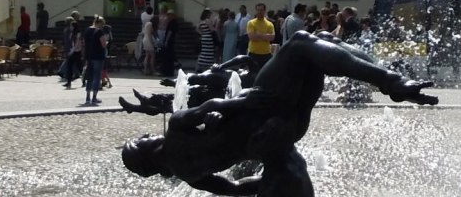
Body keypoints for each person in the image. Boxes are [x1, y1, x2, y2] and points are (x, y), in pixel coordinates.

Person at [120, 31, 437, 195]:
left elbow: (233, 189)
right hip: (261, 109)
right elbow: (212, 105)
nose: (145, 134)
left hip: (282, 134)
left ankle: (390, 80)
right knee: (301, 43)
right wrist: (243, 102)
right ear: (148, 155)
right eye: (141, 140)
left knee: (320, 44)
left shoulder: (192, 178)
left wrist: (271, 178)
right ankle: (391, 80)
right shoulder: (175, 129)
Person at [83, 15, 110, 105]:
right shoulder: (99, 32)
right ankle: (94, 97)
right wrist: (106, 42)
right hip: (98, 56)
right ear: (100, 23)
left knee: (89, 76)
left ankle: (87, 97)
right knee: (96, 76)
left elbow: (85, 43)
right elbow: (103, 44)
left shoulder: (87, 30)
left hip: (89, 56)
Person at [245, 3, 275, 79]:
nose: (259, 12)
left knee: (266, 76)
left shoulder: (269, 24)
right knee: (252, 75)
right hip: (254, 54)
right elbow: (252, 37)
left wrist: (259, 34)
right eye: (258, 10)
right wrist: (265, 36)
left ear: (264, 11)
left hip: (266, 54)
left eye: (261, 10)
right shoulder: (251, 23)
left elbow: (272, 37)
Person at [58, 12, 82, 87]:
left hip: (75, 51)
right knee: (69, 64)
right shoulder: (68, 31)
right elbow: (69, 41)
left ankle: (83, 78)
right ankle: (69, 81)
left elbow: (77, 42)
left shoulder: (76, 32)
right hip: (71, 49)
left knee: (76, 65)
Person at [139, 9, 158, 75]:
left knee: (147, 55)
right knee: (152, 56)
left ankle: (145, 70)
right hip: (148, 40)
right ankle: (153, 70)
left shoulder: (147, 24)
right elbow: (150, 34)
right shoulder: (150, 25)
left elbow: (144, 32)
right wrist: (152, 42)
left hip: (145, 39)